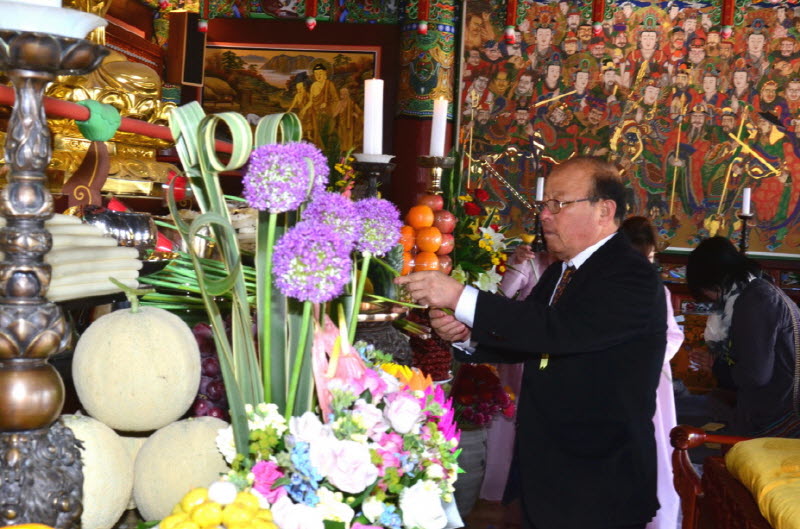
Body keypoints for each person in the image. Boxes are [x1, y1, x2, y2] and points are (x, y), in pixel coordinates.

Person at [396, 157, 667, 529]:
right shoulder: (562, 271)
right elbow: (530, 334)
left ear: (604, 211)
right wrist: (466, 334)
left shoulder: (630, 274)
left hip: (598, 476)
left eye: (559, 203)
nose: (545, 215)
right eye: (544, 204)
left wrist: (460, 296)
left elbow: (559, 330)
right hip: (547, 468)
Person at [687, 236, 800, 438]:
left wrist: (716, 366)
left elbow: (755, 376)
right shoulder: (758, 291)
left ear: (712, 282)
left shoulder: (756, 300)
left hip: (782, 417)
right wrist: (717, 361)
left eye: (706, 292)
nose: (711, 301)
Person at [620, 216, 683, 529]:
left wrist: (648, 356)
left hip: (649, 378)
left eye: (651, 257)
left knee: (653, 445)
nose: (648, 263)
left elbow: (673, 335)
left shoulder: (659, 291)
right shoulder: (604, 286)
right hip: (611, 377)